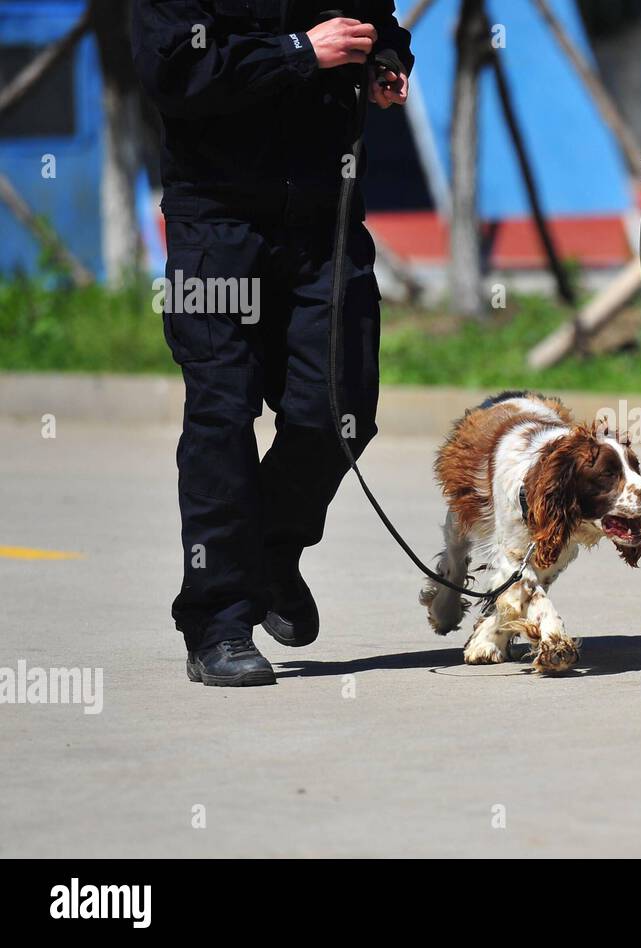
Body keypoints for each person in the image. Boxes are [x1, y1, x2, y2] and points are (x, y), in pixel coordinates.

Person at [131, 1, 413, 686]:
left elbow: (377, 23)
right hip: (216, 220)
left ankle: (266, 555)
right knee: (222, 415)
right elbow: (174, 71)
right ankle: (217, 621)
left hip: (324, 217)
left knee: (340, 409)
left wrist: (385, 62)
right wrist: (297, 53)